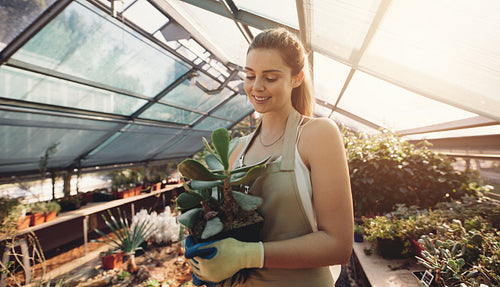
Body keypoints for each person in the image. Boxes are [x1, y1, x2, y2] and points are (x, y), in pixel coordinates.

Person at [185, 27, 353, 287]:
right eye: (250, 76)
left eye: (271, 77)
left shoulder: (316, 134)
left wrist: (248, 255)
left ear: (296, 78)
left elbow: (338, 245)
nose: (257, 87)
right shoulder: (235, 149)